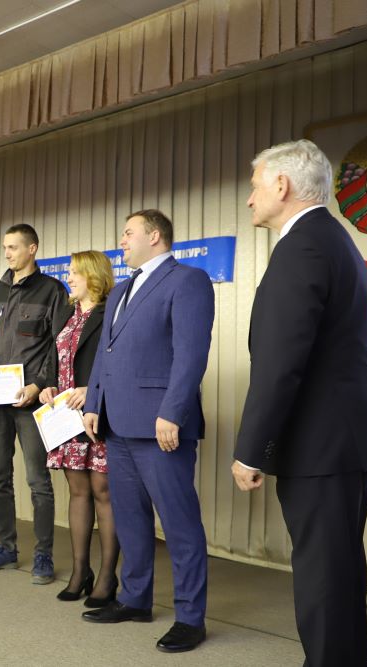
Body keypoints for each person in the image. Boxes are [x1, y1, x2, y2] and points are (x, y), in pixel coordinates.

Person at [232, 139, 367, 666]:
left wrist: (250, 449)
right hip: (341, 443)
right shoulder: (332, 239)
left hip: (321, 447)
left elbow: (281, 362)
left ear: (281, 185)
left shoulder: (302, 247)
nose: (250, 198)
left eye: (254, 186)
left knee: (324, 587)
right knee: (338, 581)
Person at [80, 209, 214, 654]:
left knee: (179, 523)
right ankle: (135, 600)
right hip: (117, 424)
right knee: (130, 518)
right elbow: (105, 353)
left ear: (155, 236)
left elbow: (191, 354)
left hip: (161, 426)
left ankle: (190, 618)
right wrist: (94, 403)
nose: (121, 240)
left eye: (128, 233)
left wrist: (172, 412)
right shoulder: (121, 288)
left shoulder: (188, 280)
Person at [0, 224, 65, 584]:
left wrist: (39, 384)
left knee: (38, 481)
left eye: (13, 247)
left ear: (32, 248)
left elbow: (58, 345)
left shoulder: (52, 290)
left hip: (30, 402)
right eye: (5, 248)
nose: (7, 253)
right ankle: (5, 548)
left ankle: (44, 555)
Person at [37, 251, 119, 605]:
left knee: (103, 491)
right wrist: (48, 385)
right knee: (78, 490)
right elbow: (55, 359)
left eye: (74, 272)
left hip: (97, 413)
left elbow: (118, 362)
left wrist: (93, 390)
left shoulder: (112, 311)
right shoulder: (66, 314)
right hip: (66, 417)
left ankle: (107, 576)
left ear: (93, 275)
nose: (68, 277)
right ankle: (80, 571)